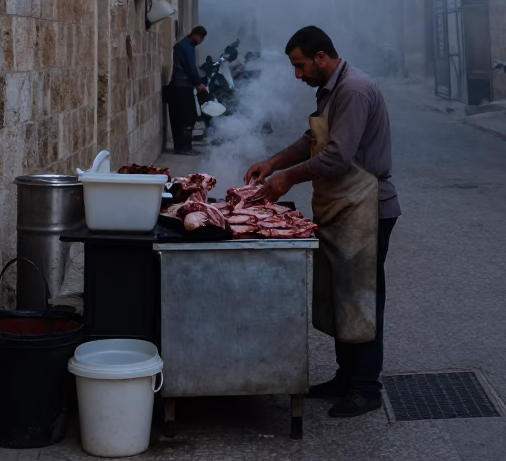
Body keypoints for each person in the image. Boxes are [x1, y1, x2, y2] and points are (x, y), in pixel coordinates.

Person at [245, 25, 400, 418]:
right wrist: (273, 162)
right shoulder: (331, 89)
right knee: (340, 294)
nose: (298, 75)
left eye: (299, 66)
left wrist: (286, 179)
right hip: (341, 207)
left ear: (320, 57)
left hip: (366, 207)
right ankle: (346, 378)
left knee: (361, 298)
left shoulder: (354, 90)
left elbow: (337, 157)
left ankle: (367, 388)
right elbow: (311, 140)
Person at [166, 26, 208, 154]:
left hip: (180, 87)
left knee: (182, 118)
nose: (200, 41)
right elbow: (190, 67)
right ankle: (184, 147)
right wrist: (198, 83)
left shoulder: (185, 45)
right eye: (201, 39)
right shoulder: (186, 47)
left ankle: (184, 146)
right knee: (186, 118)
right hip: (181, 87)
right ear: (197, 35)